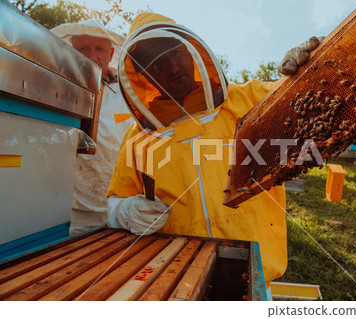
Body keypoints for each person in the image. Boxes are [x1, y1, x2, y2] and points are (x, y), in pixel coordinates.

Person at [106, 13, 320, 289]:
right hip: (176, 280)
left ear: (191, 52)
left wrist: (315, 67)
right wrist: (123, 211)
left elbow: (314, 99)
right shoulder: (138, 139)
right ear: (144, 76)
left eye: (176, 54)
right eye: (158, 64)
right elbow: (113, 201)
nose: (172, 67)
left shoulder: (249, 99)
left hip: (254, 275)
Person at [51, 20, 134, 235]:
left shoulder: (128, 96)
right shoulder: (56, 91)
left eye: (99, 49)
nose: (92, 56)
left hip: (121, 209)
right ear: (71, 51)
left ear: (111, 53)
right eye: (83, 48)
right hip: (73, 211)